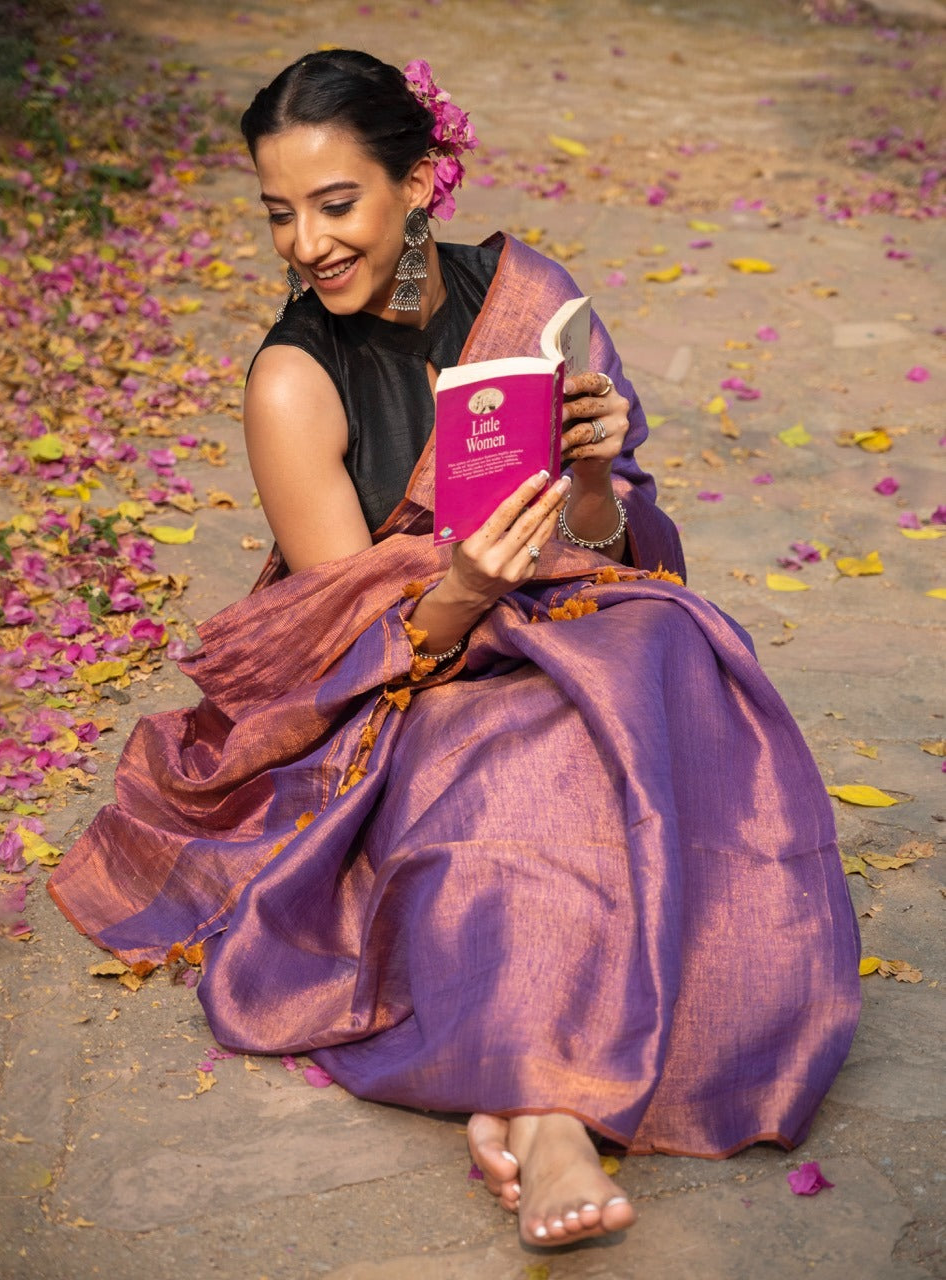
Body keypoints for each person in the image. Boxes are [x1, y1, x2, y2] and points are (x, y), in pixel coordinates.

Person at [49, 49, 861, 1249]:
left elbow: (618, 546)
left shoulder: (527, 295)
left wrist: (591, 466)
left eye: (336, 205)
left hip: (568, 613)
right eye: (279, 213)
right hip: (403, 680)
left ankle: (574, 1064)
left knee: (665, 663)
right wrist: (463, 589)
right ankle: (541, 1113)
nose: (305, 244)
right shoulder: (292, 379)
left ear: (420, 181)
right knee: (508, 750)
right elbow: (343, 645)